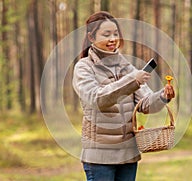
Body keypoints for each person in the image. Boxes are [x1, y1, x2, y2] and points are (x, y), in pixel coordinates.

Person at [72, 11, 175, 181]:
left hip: (128, 155)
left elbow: (146, 104)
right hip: (99, 157)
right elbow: (97, 99)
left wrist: (163, 96)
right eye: (106, 34)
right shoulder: (84, 68)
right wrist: (132, 81)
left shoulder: (127, 67)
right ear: (91, 37)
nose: (113, 39)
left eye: (115, 33)